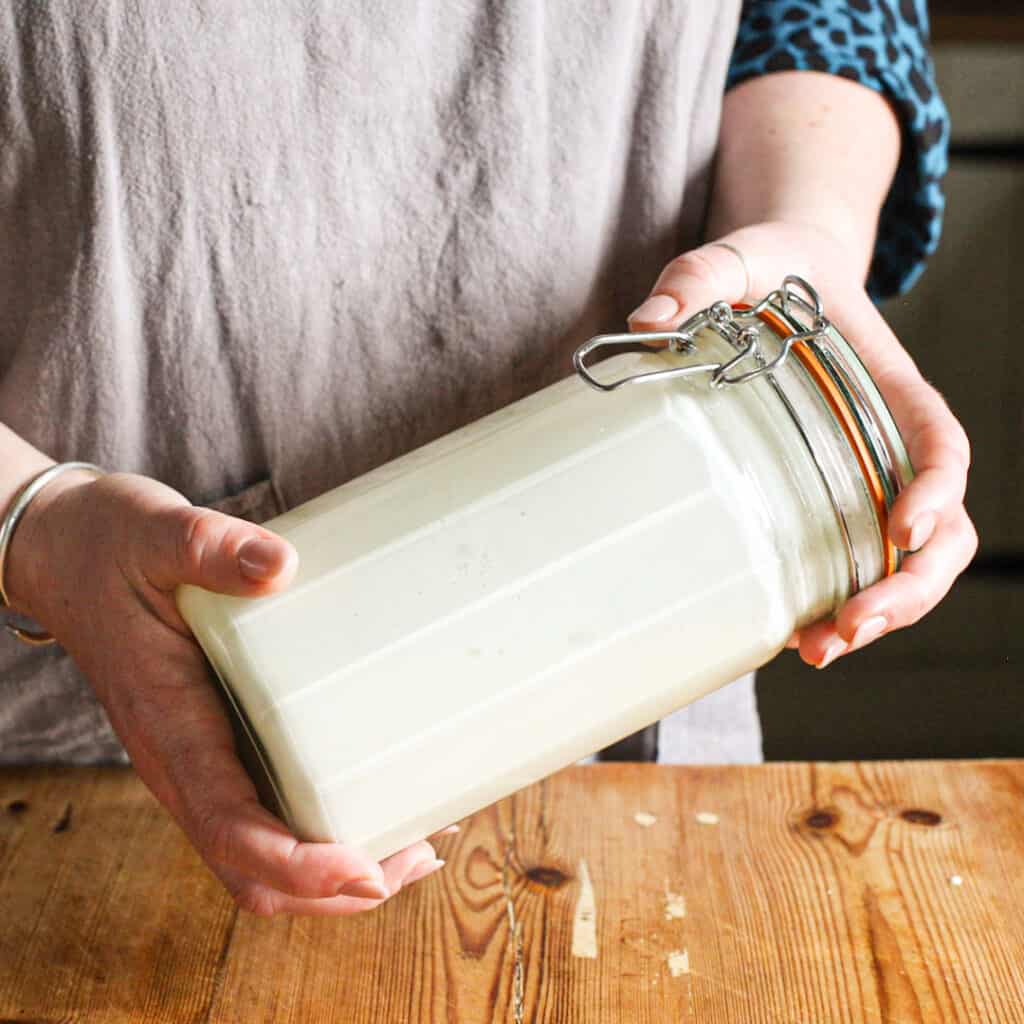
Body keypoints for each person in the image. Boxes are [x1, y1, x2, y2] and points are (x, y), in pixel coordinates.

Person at [0, 1, 974, 916]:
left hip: (640, 737)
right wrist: (35, 524)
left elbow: (830, 16)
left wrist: (809, 223)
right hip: (59, 768)